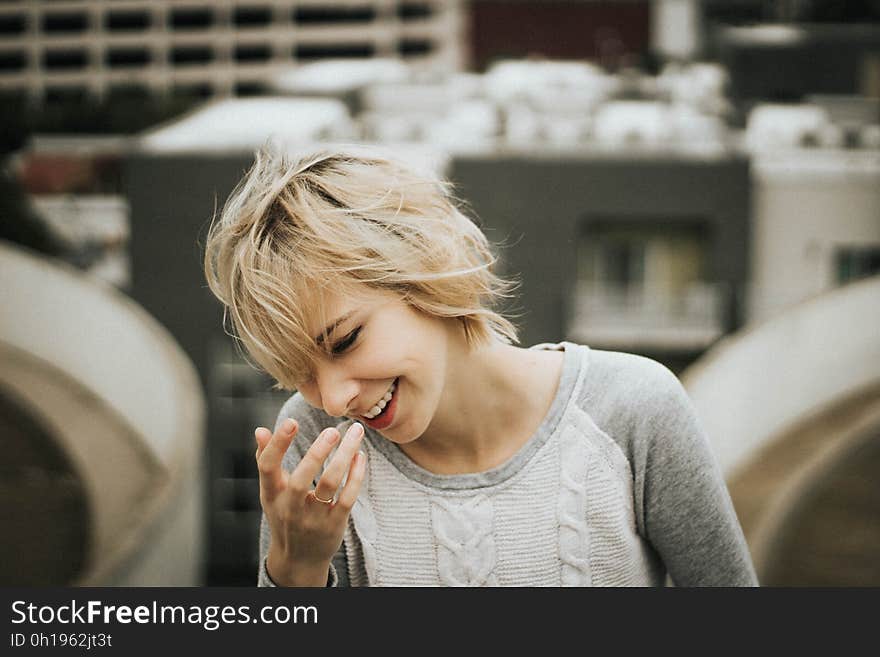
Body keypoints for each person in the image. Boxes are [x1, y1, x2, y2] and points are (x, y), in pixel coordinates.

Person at [203, 145, 758, 587]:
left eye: (345, 341)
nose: (332, 398)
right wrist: (296, 573)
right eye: (300, 371)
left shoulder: (633, 410)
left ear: (426, 266)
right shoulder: (317, 444)